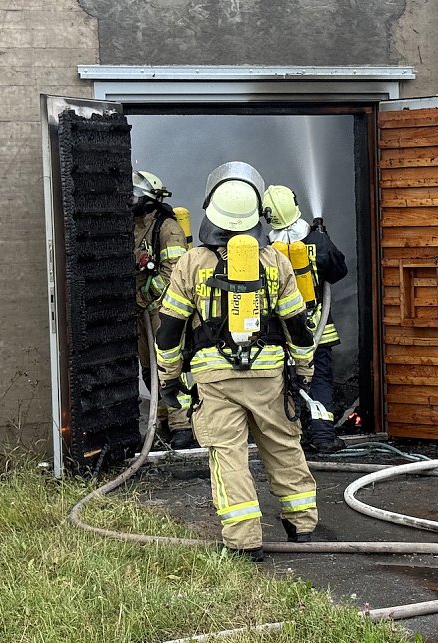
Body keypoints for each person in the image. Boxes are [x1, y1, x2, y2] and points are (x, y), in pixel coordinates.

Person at [153, 162, 318, 562]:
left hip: (214, 379)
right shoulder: (276, 261)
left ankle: (244, 541)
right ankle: (303, 526)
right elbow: (298, 325)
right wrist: (303, 370)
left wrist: (170, 379)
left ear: (211, 213)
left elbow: (170, 330)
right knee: (283, 446)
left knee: (228, 456)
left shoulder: (192, 263)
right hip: (268, 374)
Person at [263, 185, 349, 454]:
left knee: (285, 382)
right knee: (319, 379)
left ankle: (290, 436)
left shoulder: (267, 249)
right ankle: (323, 435)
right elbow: (338, 271)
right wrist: (324, 240)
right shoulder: (316, 241)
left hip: (281, 333)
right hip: (317, 332)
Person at [130, 170, 196, 450]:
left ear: (148, 201)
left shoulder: (168, 229)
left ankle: (182, 426)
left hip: (162, 311)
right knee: (148, 370)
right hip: (139, 309)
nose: (129, 201)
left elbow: (174, 272)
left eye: (133, 196)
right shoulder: (133, 225)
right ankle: (162, 421)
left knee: (170, 367)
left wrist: (146, 295)